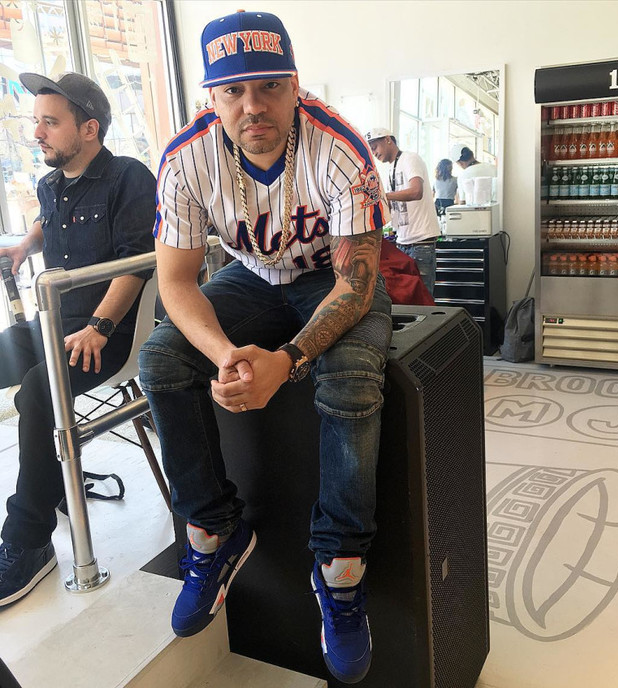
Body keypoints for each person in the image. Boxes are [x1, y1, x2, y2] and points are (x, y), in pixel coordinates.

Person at [137, 11, 392, 685]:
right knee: (161, 360)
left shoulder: (340, 147)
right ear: (212, 97)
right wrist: (223, 351)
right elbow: (175, 281)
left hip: (331, 278)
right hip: (249, 278)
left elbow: (356, 285)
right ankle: (215, 531)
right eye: (234, 91)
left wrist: (289, 361)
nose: (253, 105)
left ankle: (340, 570)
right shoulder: (186, 158)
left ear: (295, 85)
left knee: (352, 376)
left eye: (269, 86)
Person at [0, 72, 156, 607]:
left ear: (89, 129)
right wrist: (24, 246)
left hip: (109, 333)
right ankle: (47, 479)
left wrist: (101, 326)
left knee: (37, 391)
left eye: (50, 122)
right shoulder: (51, 183)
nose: (36, 133)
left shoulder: (129, 178)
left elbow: (137, 262)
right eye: (36, 121)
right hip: (57, 322)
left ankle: (29, 539)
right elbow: (49, 220)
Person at [365, 128, 439, 296]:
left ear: (388, 140)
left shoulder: (410, 159)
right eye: (371, 149)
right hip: (402, 242)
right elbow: (392, 206)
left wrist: (384, 196)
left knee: (423, 298)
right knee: (408, 298)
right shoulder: (391, 169)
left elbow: (416, 191)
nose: (374, 153)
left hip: (421, 242)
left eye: (375, 147)